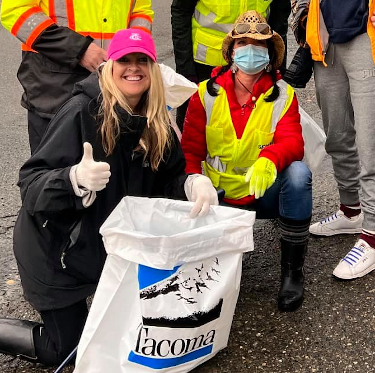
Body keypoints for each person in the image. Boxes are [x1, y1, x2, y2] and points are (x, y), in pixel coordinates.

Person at [0, 29, 218, 366]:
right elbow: (31, 185)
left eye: (142, 60)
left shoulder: (156, 119)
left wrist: (191, 183)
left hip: (105, 249)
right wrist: (73, 180)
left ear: (153, 68)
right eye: (125, 61)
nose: (134, 68)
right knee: (69, 349)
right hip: (55, 251)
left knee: (128, 337)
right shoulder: (80, 111)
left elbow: (170, 178)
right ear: (109, 66)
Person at [181, 11, 313, 312]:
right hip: (218, 198)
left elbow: (293, 142)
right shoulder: (204, 95)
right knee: (214, 291)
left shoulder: (283, 95)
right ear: (230, 52)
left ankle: (292, 273)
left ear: (269, 55)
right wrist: (195, 181)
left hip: (263, 192)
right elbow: (189, 152)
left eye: (259, 44)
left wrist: (269, 158)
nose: (250, 51)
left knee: (298, 175)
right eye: (242, 43)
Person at [0, 0, 153, 154]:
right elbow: (15, 10)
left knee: (114, 169)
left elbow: (140, 11)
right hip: (55, 85)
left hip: (115, 83)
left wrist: (133, 52)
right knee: (53, 171)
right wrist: (79, 49)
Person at [302, 0, 375, 280]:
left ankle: (372, 235)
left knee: (370, 145)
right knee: (337, 135)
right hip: (326, 40)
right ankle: (351, 210)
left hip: (365, 39)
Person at [170, 0, 291, 131]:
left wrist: (277, 69)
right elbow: (181, 12)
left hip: (253, 64)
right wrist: (185, 69)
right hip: (206, 64)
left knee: (252, 130)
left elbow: (279, 18)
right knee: (195, 130)